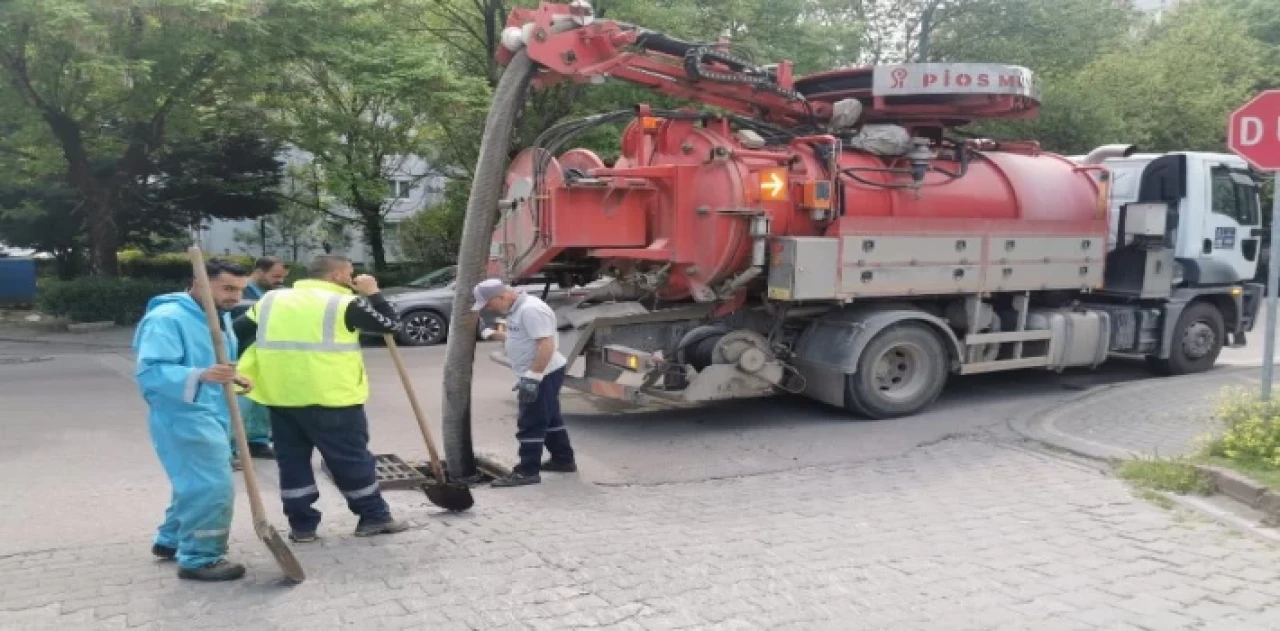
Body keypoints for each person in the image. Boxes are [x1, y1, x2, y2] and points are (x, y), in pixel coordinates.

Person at [234, 255, 408, 542]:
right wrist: (374, 293)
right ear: (337, 275)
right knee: (350, 460)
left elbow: (238, 331)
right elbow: (391, 325)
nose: (352, 278)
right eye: (350, 273)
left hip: (282, 397)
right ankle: (374, 516)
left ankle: (302, 527)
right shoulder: (343, 303)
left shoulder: (272, 300)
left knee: (292, 463)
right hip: (332, 398)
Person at [133, 258, 252, 582]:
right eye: (228, 288)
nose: (235, 297)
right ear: (199, 282)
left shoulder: (216, 314)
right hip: (182, 415)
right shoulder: (167, 319)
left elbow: (211, 361)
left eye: (240, 290)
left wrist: (231, 375)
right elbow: (151, 372)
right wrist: (201, 375)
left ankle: (170, 539)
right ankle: (200, 558)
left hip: (208, 409)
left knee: (195, 480)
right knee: (211, 485)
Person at [473, 278, 577, 487]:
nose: (489, 309)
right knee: (550, 418)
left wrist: (533, 378)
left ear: (502, 296)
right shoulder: (516, 309)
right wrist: (489, 333)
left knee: (531, 421)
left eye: (489, 304)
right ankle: (563, 459)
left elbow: (546, 345)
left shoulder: (531, 310)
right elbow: (517, 337)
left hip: (544, 372)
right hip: (540, 372)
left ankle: (527, 471)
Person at [231, 256, 289, 461]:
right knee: (240, 405)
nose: (280, 281)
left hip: (266, 357)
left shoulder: (279, 294)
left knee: (262, 403)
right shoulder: (237, 291)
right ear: (259, 272)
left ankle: (257, 441)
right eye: (276, 276)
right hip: (240, 356)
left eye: (283, 277)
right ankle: (230, 448)